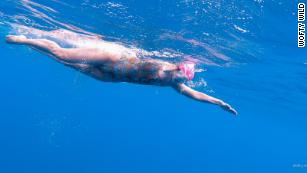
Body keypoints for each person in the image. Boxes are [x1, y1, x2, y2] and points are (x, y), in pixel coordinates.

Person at [6, 28, 237, 115]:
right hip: (112, 58)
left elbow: (197, 95)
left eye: (185, 77)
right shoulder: (163, 63)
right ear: (179, 67)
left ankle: (33, 46)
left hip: (110, 76)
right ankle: (26, 39)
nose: (183, 78)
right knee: (63, 55)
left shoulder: (173, 84)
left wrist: (219, 103)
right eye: (184, 73)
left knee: (66, 64)